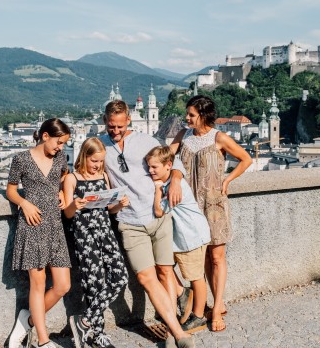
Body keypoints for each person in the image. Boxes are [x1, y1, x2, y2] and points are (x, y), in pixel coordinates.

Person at [99, 100, 195, 348]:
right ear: (105, 122)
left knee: (164, 272)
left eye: (120, 126)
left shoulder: (146, 141)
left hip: (159, 216)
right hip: (129, 222)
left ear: (128, 120)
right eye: (111, 126)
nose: (116, 131)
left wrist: (174, 181)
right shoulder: (101, 146)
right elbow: (82, 169)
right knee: (145, 277)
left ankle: (174, 325)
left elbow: (174, 162)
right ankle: (179, 333)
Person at [170, 95, 252, 332]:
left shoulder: (219, 138)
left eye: (191, 115)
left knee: (217, 257)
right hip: (189, 207)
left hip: (214, 205)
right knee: (201, 258)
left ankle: (216, 308)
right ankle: (207, 303)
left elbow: (246, 159)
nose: (187, 118)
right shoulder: (183, 136)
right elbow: (167, 157)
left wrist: (228, 180)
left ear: (203, 116)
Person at [6, 118, 72, 348]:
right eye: (58, 142)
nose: (60, 147)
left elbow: (64, 176)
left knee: (63, 285)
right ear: (45, 136)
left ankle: (29, 319)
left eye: (63, 143)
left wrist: (64, 192)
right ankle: (43, 341)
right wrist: (24, 204)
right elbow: (11, 191)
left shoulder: (61, 158)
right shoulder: (21, 159)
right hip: (32, 225)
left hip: (54, 224)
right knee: (38, 283)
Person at [63, 137, 129, 348]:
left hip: (105, 232)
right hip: (84, 235)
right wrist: (75, 204)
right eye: (94, 161)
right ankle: (98, 334)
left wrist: (119, 204)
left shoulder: (103, 176)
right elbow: (67, 213)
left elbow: (109, 210)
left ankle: (84, 320)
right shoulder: (72, 179)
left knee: (120, 277)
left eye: (100, 161)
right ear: (84, 156)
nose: (97, 165)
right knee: (94, 284)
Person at [147, 146, 210, 334]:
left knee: (196, 277)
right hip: (185, 237)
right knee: (171, 269)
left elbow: (159, 211)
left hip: (191, 237)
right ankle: (185, 297)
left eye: (154, 167)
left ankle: (198, 317)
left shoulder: (175, 187)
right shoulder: (171, 182)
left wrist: (157, 190)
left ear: (168, 166)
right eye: (149, 167)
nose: (150, 171)